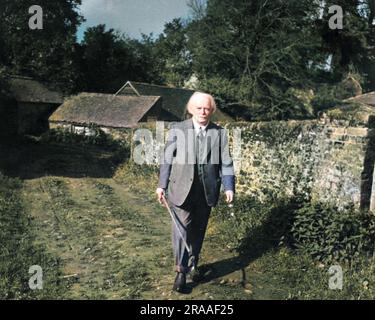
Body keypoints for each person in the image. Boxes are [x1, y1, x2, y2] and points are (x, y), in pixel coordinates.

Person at [156, 92, 235, 293]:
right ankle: (181, 272)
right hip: (180, 189)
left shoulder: (220, 133)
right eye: (199, 108)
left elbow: (226, 162)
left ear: (212, 111)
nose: (203, 112)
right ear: (191, 109)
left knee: (198, 231)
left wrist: (228, 186)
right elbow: (167, 159)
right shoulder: (177, 129)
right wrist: (161, 185)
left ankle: (193, 263)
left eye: (207, 108)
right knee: (181, 230)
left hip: (206, 192)